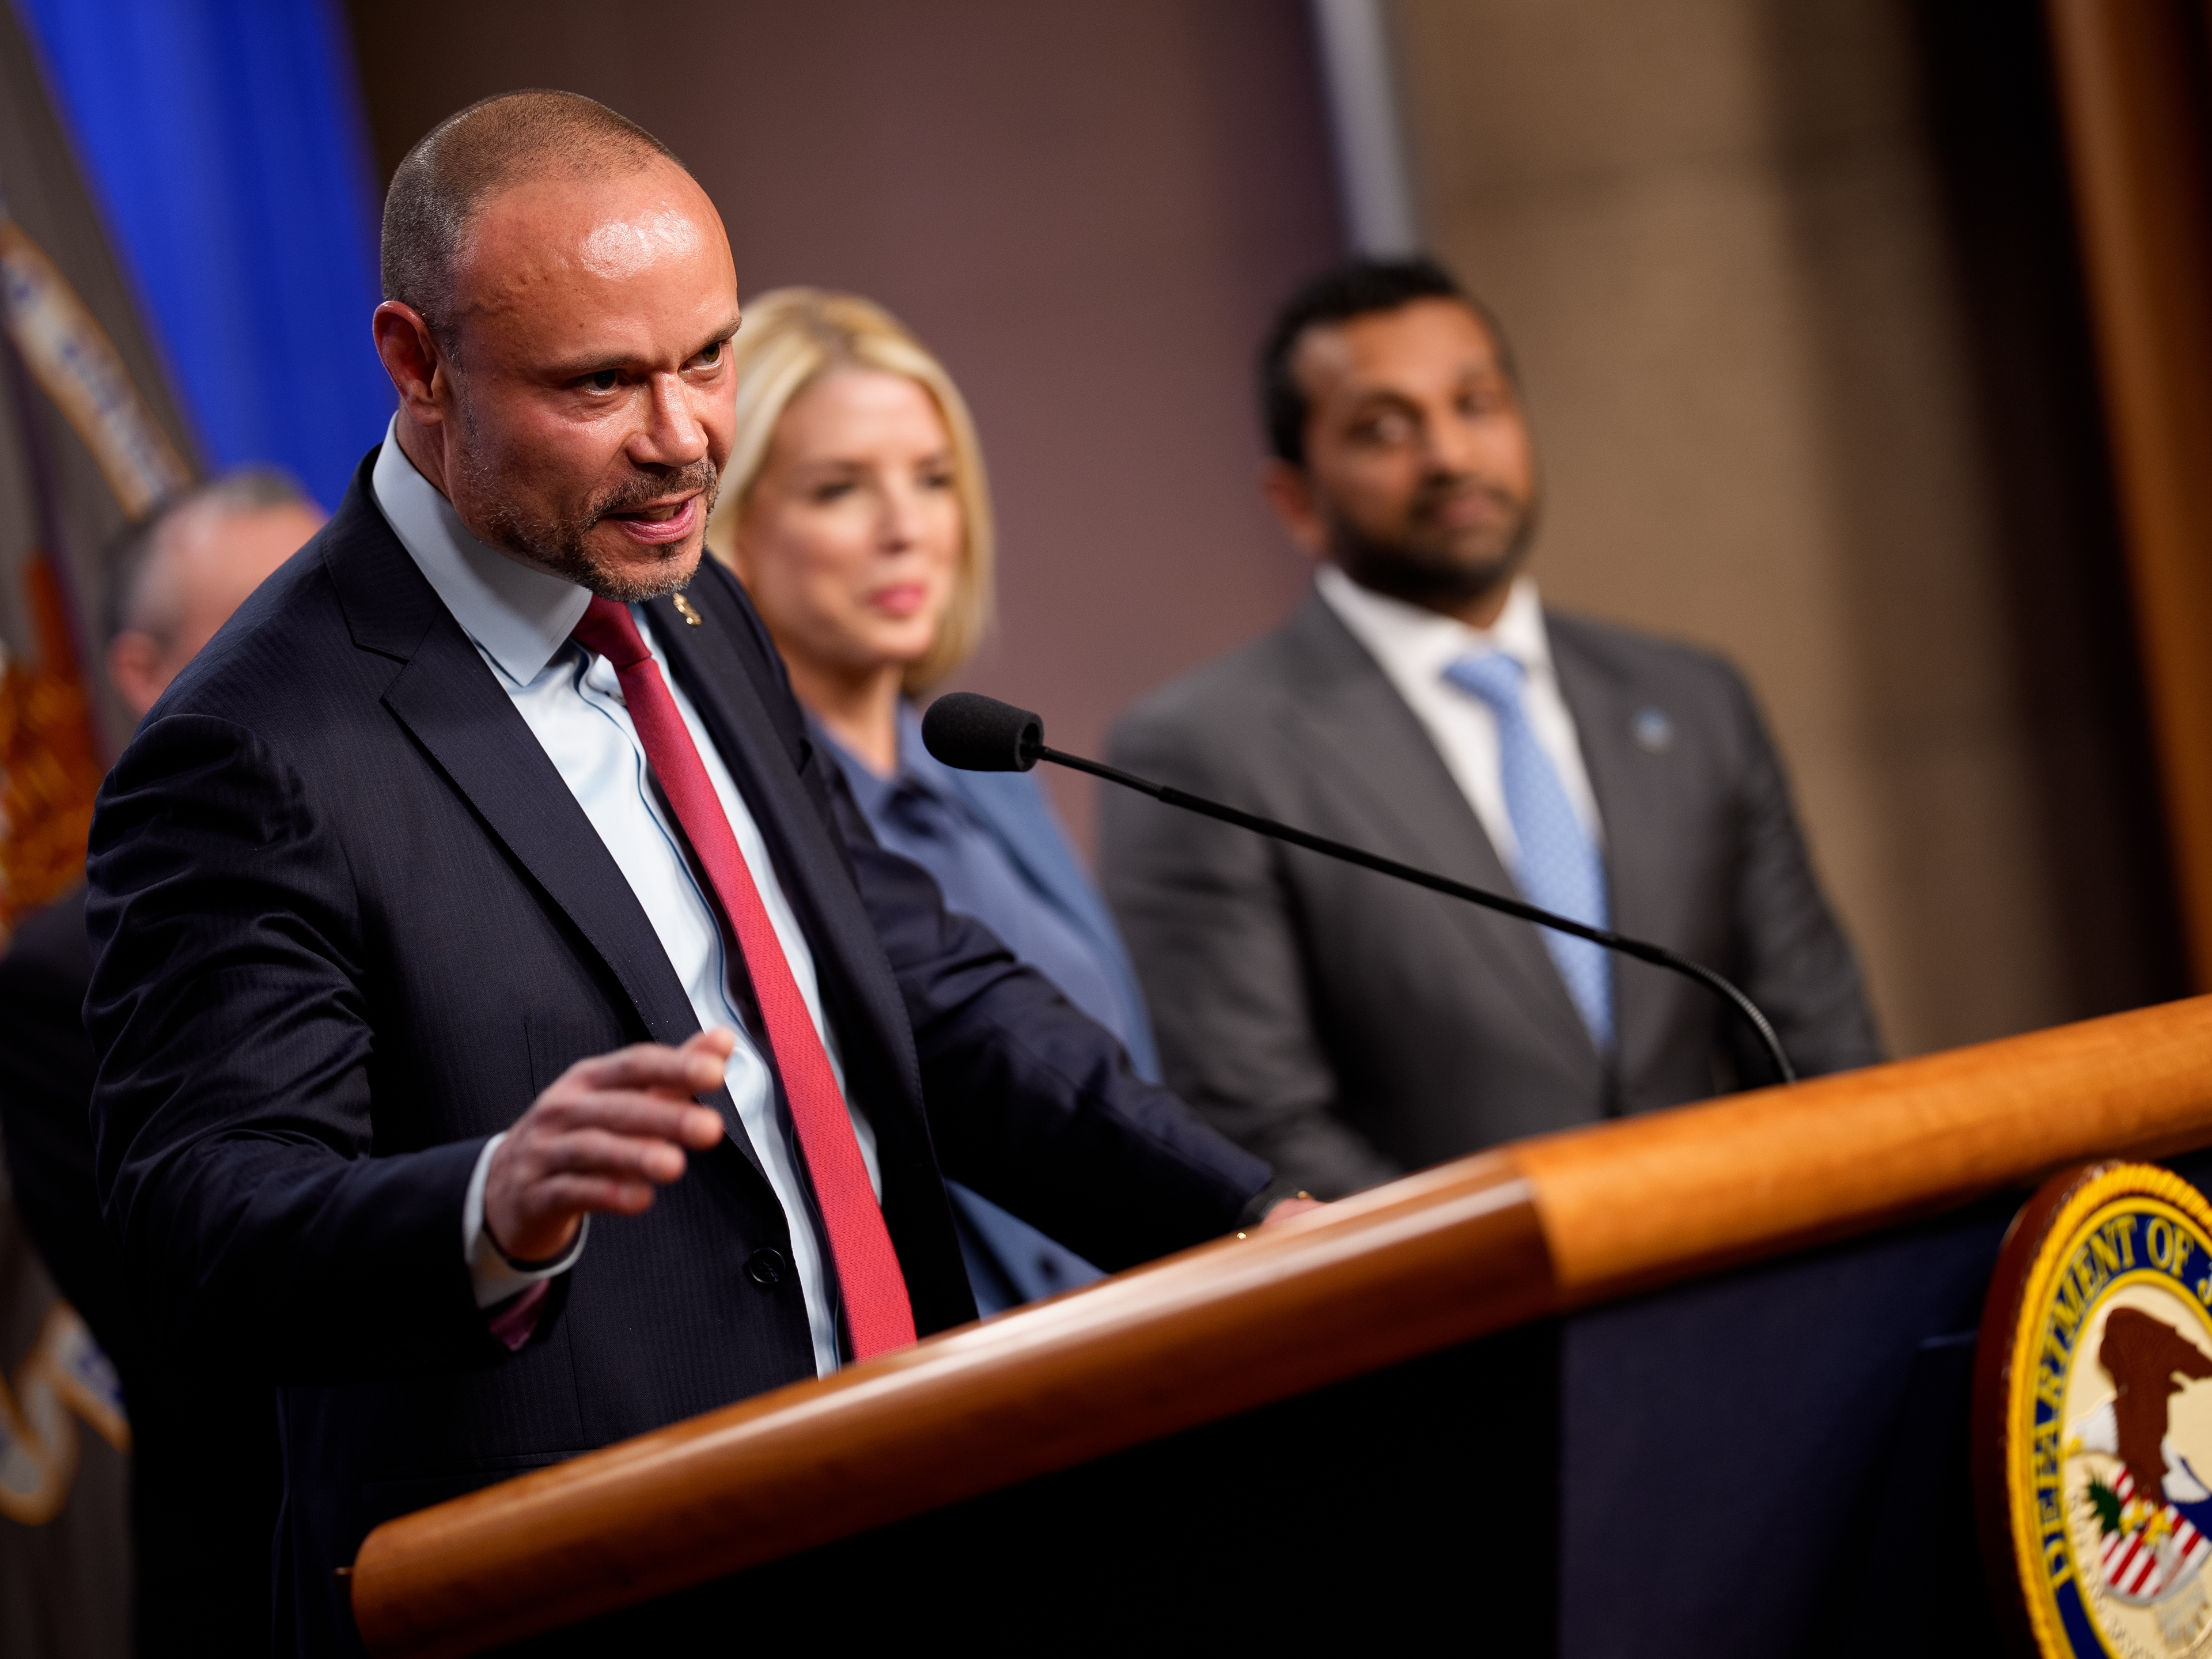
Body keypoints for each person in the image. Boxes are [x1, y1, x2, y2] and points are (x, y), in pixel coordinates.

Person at [82, 92, 1306, 1653]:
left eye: (708, 357)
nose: (685, 438)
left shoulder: (695, 608)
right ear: (417, 361)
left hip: (904, 1500)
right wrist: (485, 1208)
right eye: (603, 382)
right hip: (589, 1587)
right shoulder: (255, 748)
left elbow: (910, 983)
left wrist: (1252, 1218)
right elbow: (200, 1224)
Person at [1101, 256, 1882, 1198]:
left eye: (1477, 404)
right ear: (1296, 501)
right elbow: (1261, 1127)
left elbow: (1821, 1052)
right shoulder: (1204, 754)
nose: (1450, 456)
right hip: (1462, 1326)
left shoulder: (1694, 701)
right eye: (1385, 428)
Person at [706, 287, 1152, 1310]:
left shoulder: (980, 774)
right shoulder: (732, 820)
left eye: (934, 480)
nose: (905, 529)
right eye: (839, 490)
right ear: (733, 528)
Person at [0, 469, 324, 1652]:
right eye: (266, 617)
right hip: (275, 1587)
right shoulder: (65, 973)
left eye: (333, 604)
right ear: (145, 677)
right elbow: (201, 1328)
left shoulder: (424, 865)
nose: (327, 650)